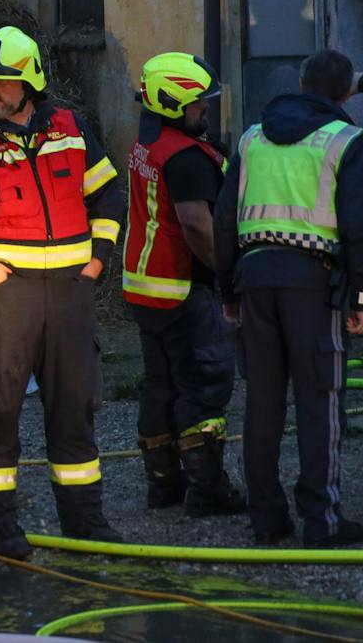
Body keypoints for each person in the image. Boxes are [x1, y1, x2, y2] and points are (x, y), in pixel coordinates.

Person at [0, 26, 125, 557]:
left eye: (1, 81)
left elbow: (108, 196)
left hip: (69, 296)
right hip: (3, 299)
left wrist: (97, 261)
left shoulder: (72, 130)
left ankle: (85, 524)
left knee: (75, 409)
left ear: (30, 81)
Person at [214, 49, 363, 547]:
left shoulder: (251, 138)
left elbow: (225, 219)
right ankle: (322, 521)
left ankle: (265, 519)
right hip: (313, 284)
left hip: (254, 279)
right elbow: (361, 226)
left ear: (301, 82)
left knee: (262, 402)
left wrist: (227, 290)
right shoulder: (346, 140)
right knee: (319, 400)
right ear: (347, 91)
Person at [122, 53, 246, 519]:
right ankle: (208, 490)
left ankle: (163, 486)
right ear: (174, 104)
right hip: (182, 286)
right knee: (204, 383)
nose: (206, 112)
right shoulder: (186, 157)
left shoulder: (149, 142)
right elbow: (197, 226)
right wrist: (227, 275)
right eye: (200, 104)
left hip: (145, 288)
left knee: (161, 385)